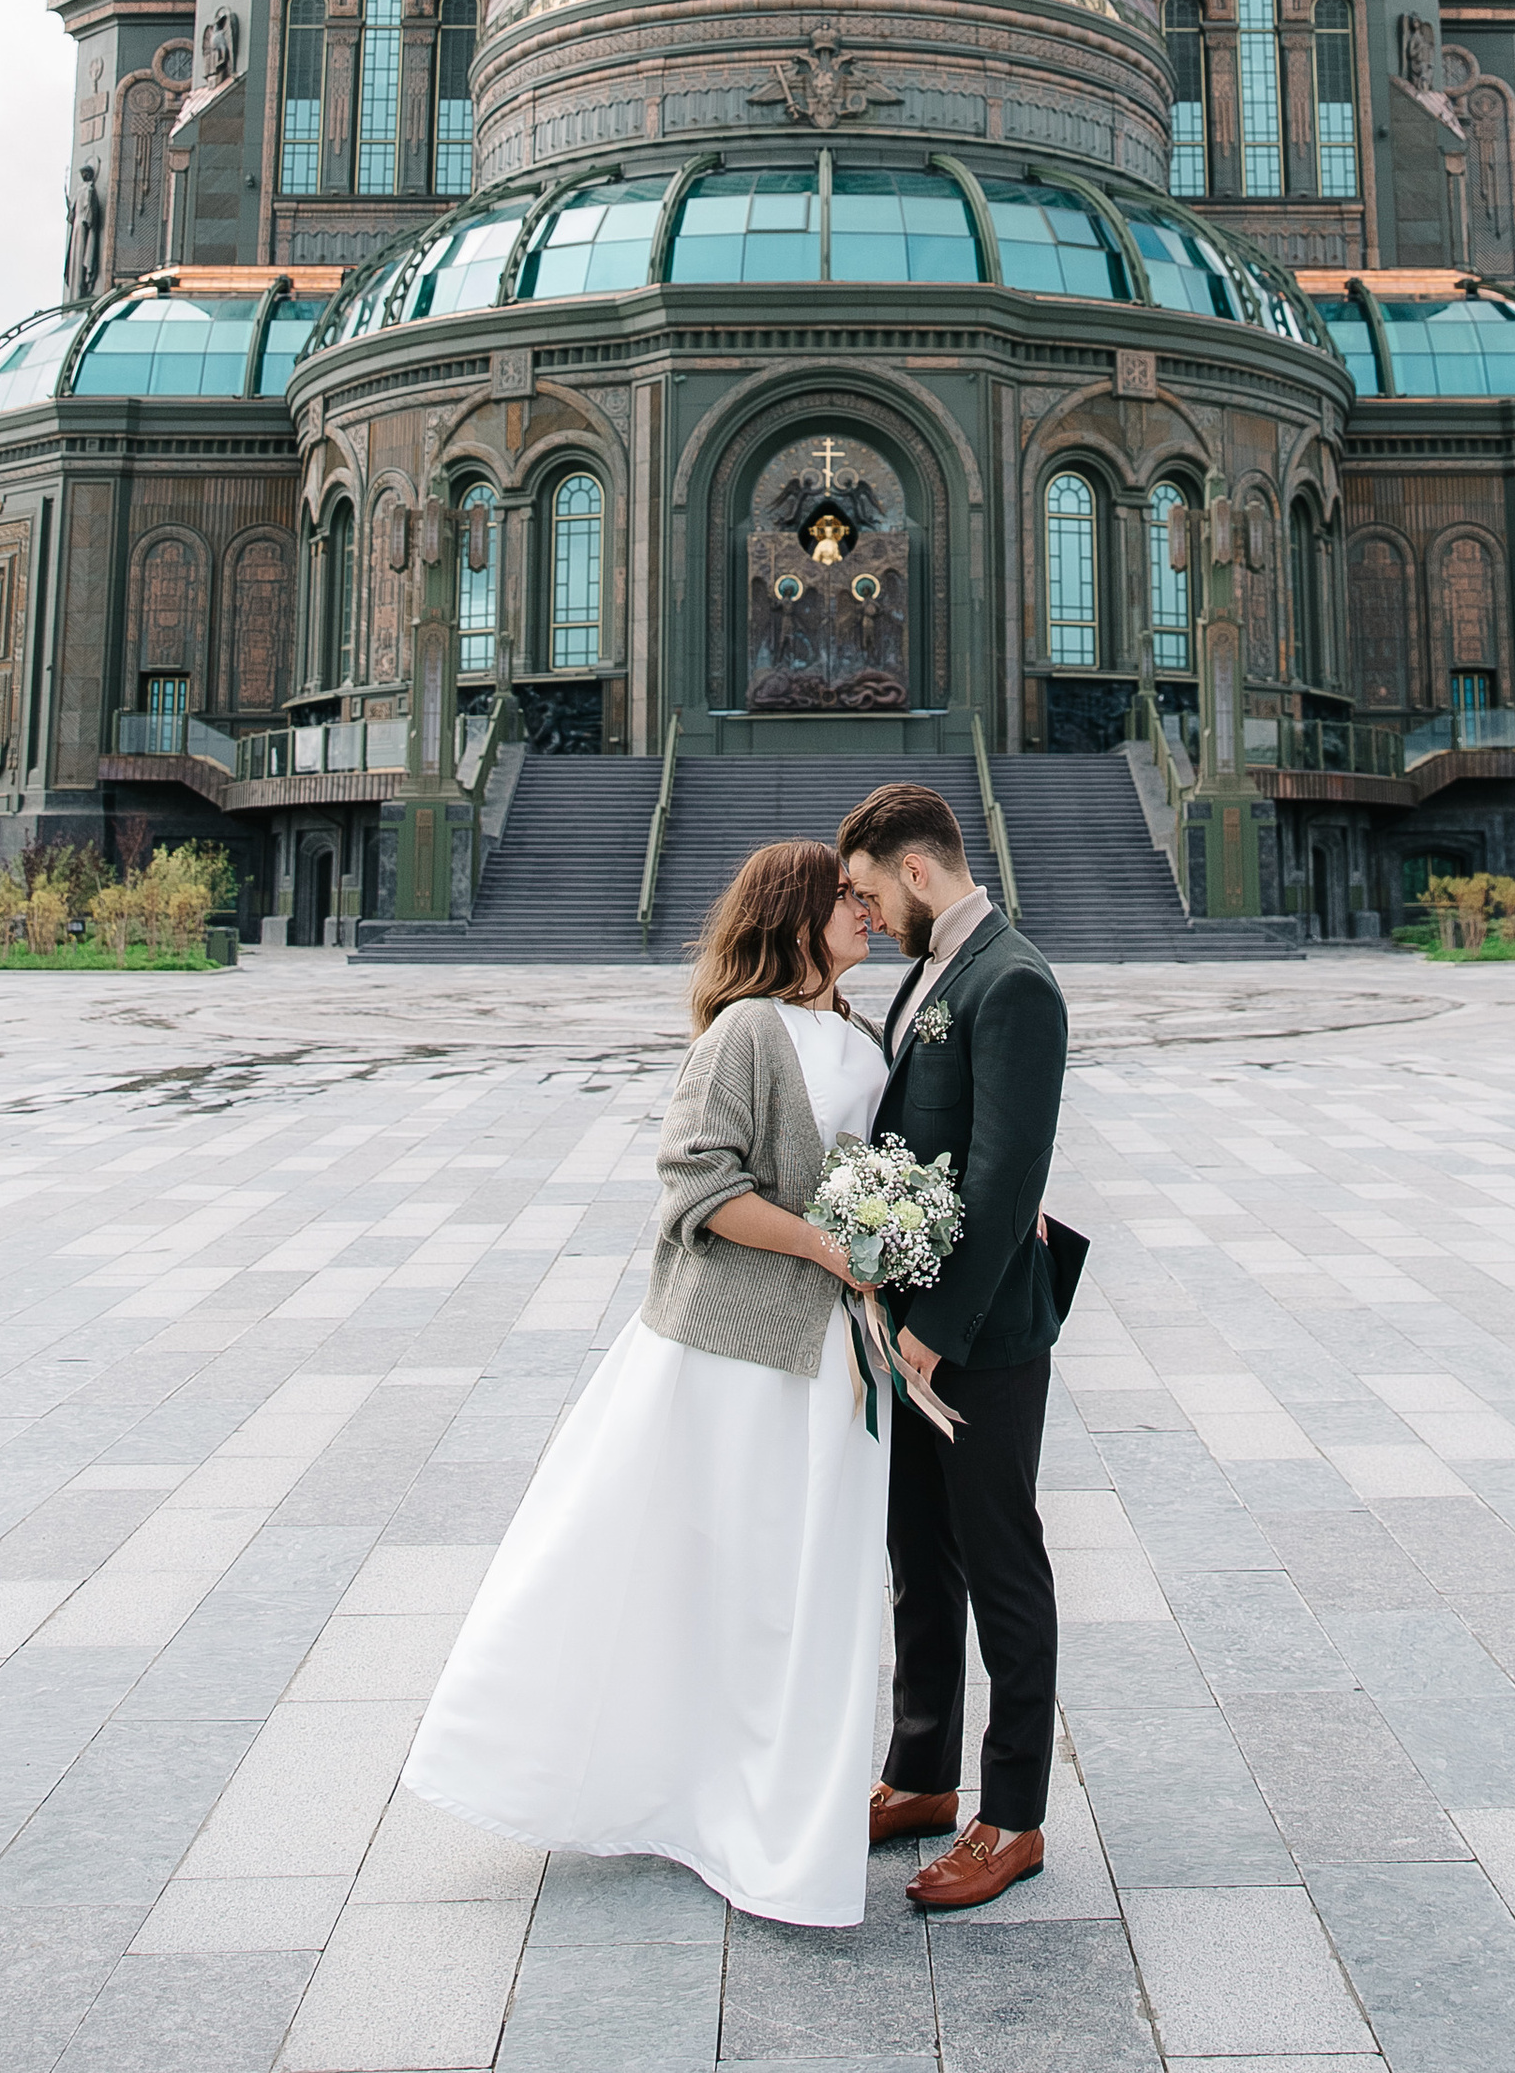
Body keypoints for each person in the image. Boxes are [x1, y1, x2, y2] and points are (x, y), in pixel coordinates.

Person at [402, 840, 888, 1925]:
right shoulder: (745, 1031)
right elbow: (696, 1184)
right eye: (846, 899)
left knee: (789, 1587)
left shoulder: (857, 1033)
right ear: (796, 914)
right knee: (687, 1568)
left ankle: (762, 1801)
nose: (869, 913)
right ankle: (646, 1782)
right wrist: (825, 1248)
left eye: (868, 894)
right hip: (725, 1351)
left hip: (820, 1356)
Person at [838, 777, 1069, 1915]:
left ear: (917, 872)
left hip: (975, 1338)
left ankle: (1012, 1815)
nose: (868, 914)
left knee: (998, 1564)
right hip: (911, 1332)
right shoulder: (932, 971)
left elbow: (1002, 1176)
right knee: (915, 1560)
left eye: (873, 893)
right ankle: (921, 1772)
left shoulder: (1012, 981)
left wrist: (932, 1332)